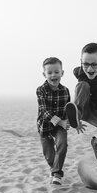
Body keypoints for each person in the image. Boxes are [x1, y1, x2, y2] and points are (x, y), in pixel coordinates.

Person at [36, 57, 72, 185]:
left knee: (62, 144)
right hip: (45, 125)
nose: (53, 75)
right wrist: (60, 121)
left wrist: (70, 121)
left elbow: (68, 109)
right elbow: (44, 110)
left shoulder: (65, 91)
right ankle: (53, 168)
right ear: (44, 74)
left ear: (62, 73)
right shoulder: (41, 90)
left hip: (60, 126)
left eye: (56, 72)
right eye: (49, 72)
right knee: (49, 155)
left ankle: (57, 174)